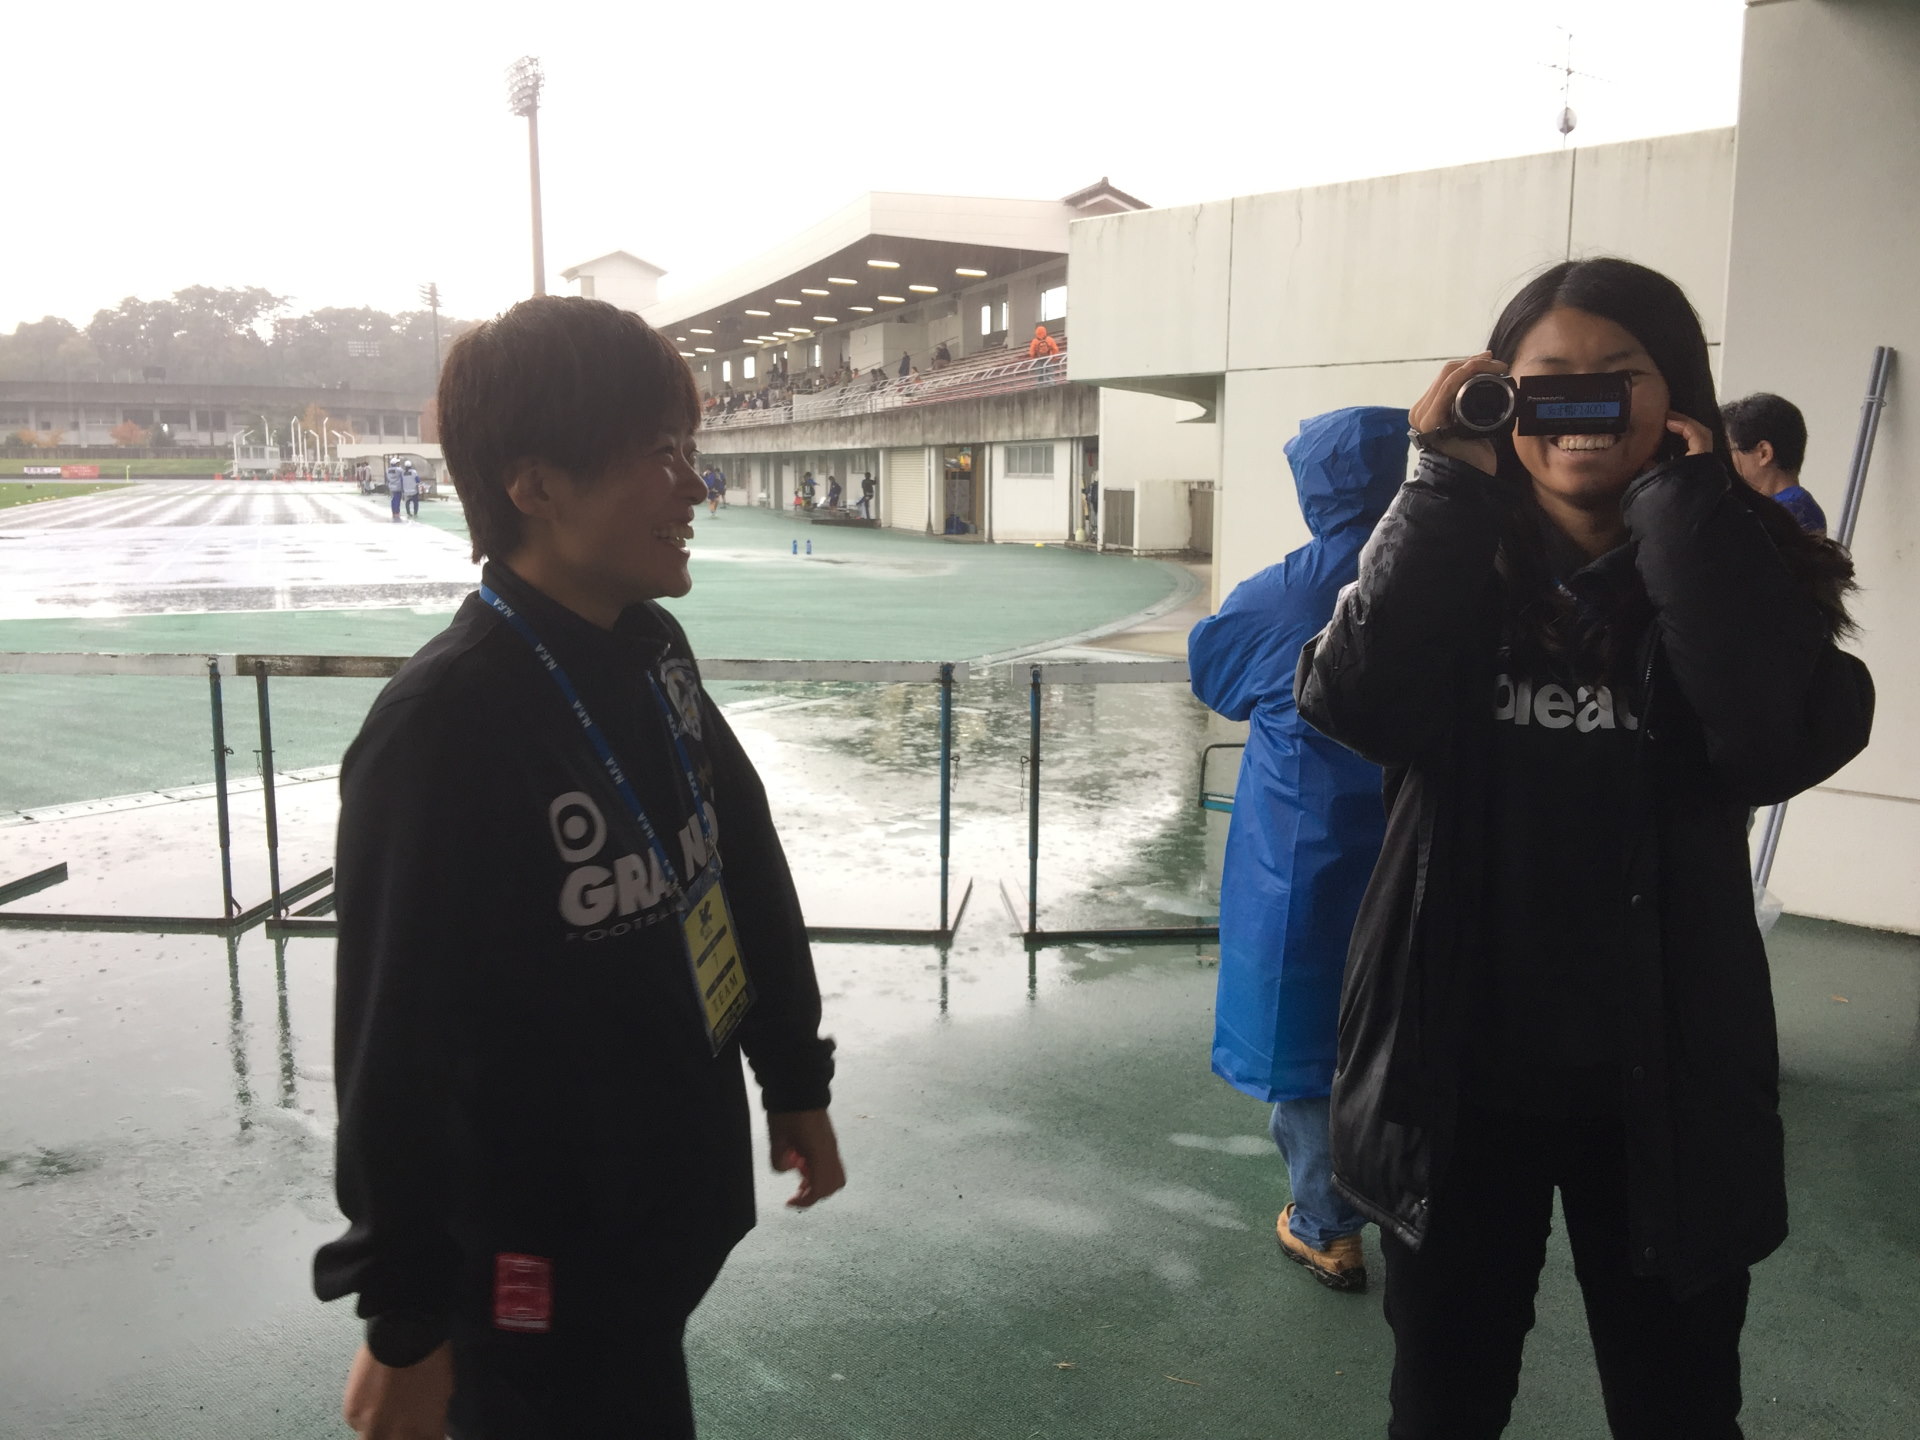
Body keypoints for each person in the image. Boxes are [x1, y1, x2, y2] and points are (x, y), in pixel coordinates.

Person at [1296, 257, 1872, 1438]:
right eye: (1548, 382)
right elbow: (1354, 703)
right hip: (1458, 1074)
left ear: (1677, 402)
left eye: (1618, 379)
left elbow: (1767, 743)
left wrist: (1685, 521)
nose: (1581, 410)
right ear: (1499, 398)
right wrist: (1439, 486)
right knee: (1442, 1407)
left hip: (1668, 1078)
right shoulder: (1450, 555)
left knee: (1680, 1410)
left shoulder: (1738, 566)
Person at [313, 296, 845, 1440]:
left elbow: (738, 860)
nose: (695, 487)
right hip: (532, 1277)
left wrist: (792, 1074)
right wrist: (407, 1319)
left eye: (690, 451)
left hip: (653, 1234)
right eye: (661, 454)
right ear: (536, 485)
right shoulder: (442, 728)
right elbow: (395, 1048)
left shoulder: (652, 649)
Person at [1188, 406, 1408, 1295]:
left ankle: (1327, 1225)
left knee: (1311, 1043)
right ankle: (1423, 1210)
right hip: (1420, 846)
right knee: (1413, 1023)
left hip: (1305, 853)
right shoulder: (1463, 571)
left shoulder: (1280, 595)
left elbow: (1217, 672)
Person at [1722, 392, 1828, 535]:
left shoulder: (1783, 513)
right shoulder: (1801, 505)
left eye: (1729, 451)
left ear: (1764, 453)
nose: (1725, 461)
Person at [385, 457, 404, 522]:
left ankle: (393, 512)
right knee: (397, 500)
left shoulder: (388, 470)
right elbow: (402, 477)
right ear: (396, 463)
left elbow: (387, 478)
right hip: (398, 487)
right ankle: (397, 513)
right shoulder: (399, 470)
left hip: (391, 486)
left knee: (393, 500)